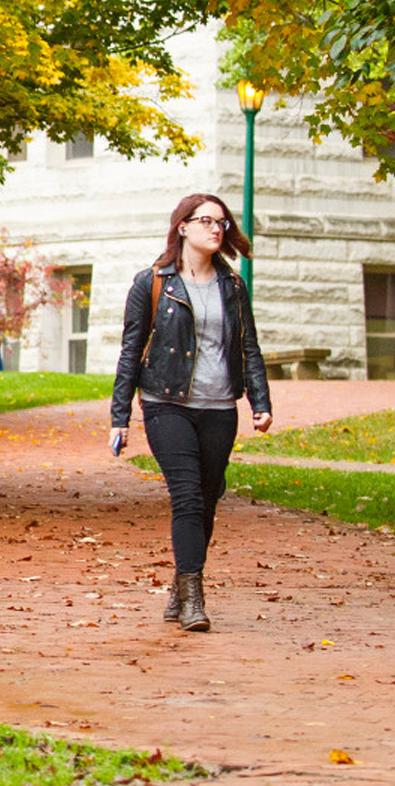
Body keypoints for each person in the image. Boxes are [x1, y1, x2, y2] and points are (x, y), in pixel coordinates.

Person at [108, 194, 274, 631]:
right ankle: (194, 595)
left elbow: (248, 347)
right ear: (182, 227)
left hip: (220, 407)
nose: (216, 229)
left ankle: (180, 584)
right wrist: (119, 416)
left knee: (207, 498)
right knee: (186, 496)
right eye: (206, 221)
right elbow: (131, 350)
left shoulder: (232, 285)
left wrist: (260, 402)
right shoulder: (153, 283)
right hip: (167, 403)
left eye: (221, 222)